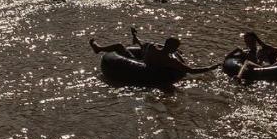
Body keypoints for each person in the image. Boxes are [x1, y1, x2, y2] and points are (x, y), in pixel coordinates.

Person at [90, 27, 219, 80]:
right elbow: (191, 70)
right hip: (145, 69)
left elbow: (146, 47)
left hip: (142, 62)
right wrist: (210, 67)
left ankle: (100, 48)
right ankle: (135, 37)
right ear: (173, 49)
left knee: (120, 45)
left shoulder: (153, 47)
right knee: (139, 46)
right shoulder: (171, 61)